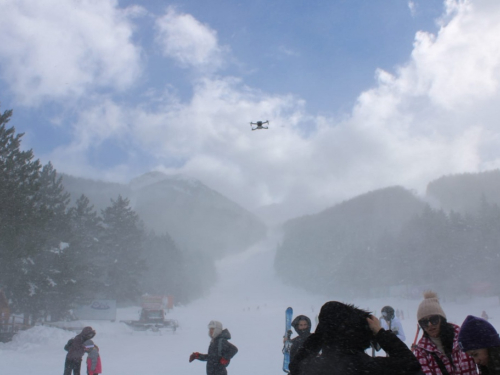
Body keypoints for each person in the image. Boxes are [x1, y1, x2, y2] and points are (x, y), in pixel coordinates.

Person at [288, 301, 422, 375]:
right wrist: (380, 332)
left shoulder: (314, 368)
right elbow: (411, 364)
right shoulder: (370, 367)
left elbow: (294, 365)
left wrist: (319, 334)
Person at [413, 291, 477, 375]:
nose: (430, 325)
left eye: (434, 319)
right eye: (424, 322)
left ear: (442, 319)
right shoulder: (421, 352)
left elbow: (483, 363)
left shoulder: (464, 337)